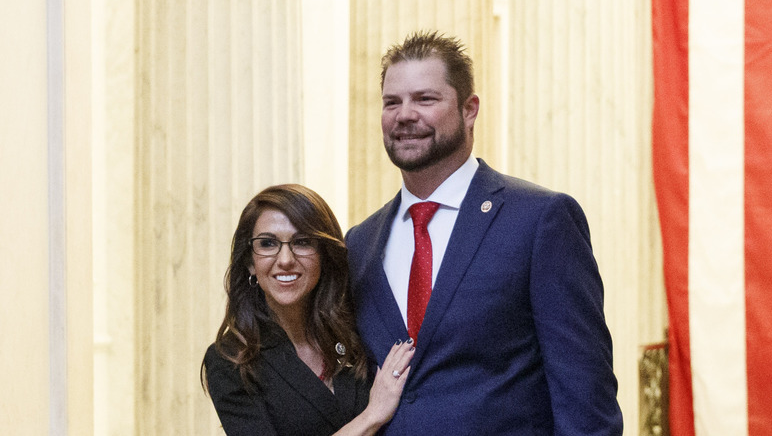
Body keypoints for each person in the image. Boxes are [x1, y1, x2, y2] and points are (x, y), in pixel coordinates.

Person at [345, 31, 623, 434]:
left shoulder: (539, 220)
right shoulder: (360, 243)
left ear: (469, 109)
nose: (404, 114)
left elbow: (585, 398)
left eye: (425, 99)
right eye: (392, 102)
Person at [202, 184, 416, 436]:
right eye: (268, 243)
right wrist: (372, 416)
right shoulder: (231, 360)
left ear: (324, 254)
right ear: (250, 261)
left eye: (302, 242)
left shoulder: (355, 328)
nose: (285, 260)